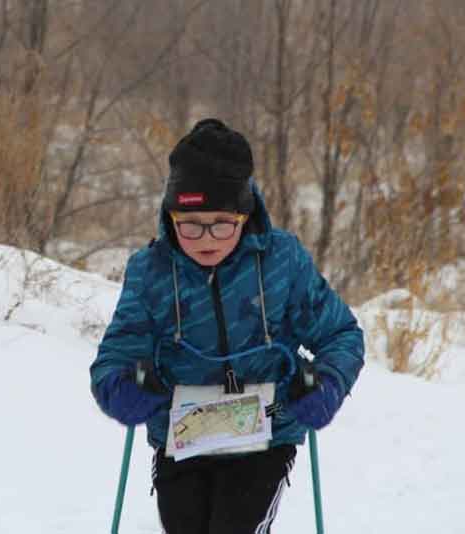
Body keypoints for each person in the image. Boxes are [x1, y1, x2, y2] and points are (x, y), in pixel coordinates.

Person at [90, 118, 364, 534]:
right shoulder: (151, 271)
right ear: (171, 214)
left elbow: (341, 334)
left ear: (244, 213)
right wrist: (122, 389)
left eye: (221, 223)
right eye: (190, 223)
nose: (206, 238)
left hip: (265, 435)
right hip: (181, 436)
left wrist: (326, 385)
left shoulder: (281, 261)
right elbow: (115, 355)